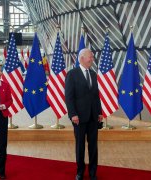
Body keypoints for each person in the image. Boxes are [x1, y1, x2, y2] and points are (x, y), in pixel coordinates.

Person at [65, 48, 103, 180]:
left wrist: (99, 112)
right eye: (90, 57)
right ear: (82, 58)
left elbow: (96, 96)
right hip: (79, 118)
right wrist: (73, 114)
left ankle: (93, 173)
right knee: (80, 146)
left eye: (92, 57)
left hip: (93, 117)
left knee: (93, 146)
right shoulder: (72, 74)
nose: (92, 59)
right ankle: (80, 172)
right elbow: (69, 97)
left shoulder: (93, 74)